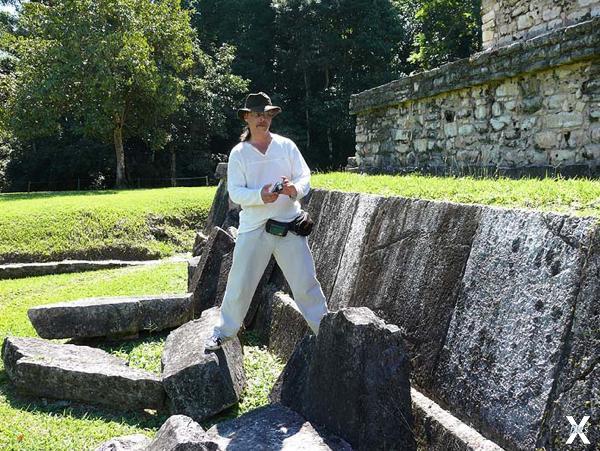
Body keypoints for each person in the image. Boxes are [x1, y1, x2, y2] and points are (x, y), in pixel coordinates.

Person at [205, 92, 328, 350]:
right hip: (254, 227)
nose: (262, 119)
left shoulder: (286, 146)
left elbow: (305, 176)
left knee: (306, 283)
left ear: (271, 116)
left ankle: (325, 332)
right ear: (247, 118)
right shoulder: (239, 153)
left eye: (266, 113)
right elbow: (236, 192)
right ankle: (224, 332)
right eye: (257, 114)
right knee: (239, 284)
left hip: (289, 225)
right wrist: (260, 195)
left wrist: (294, 189)